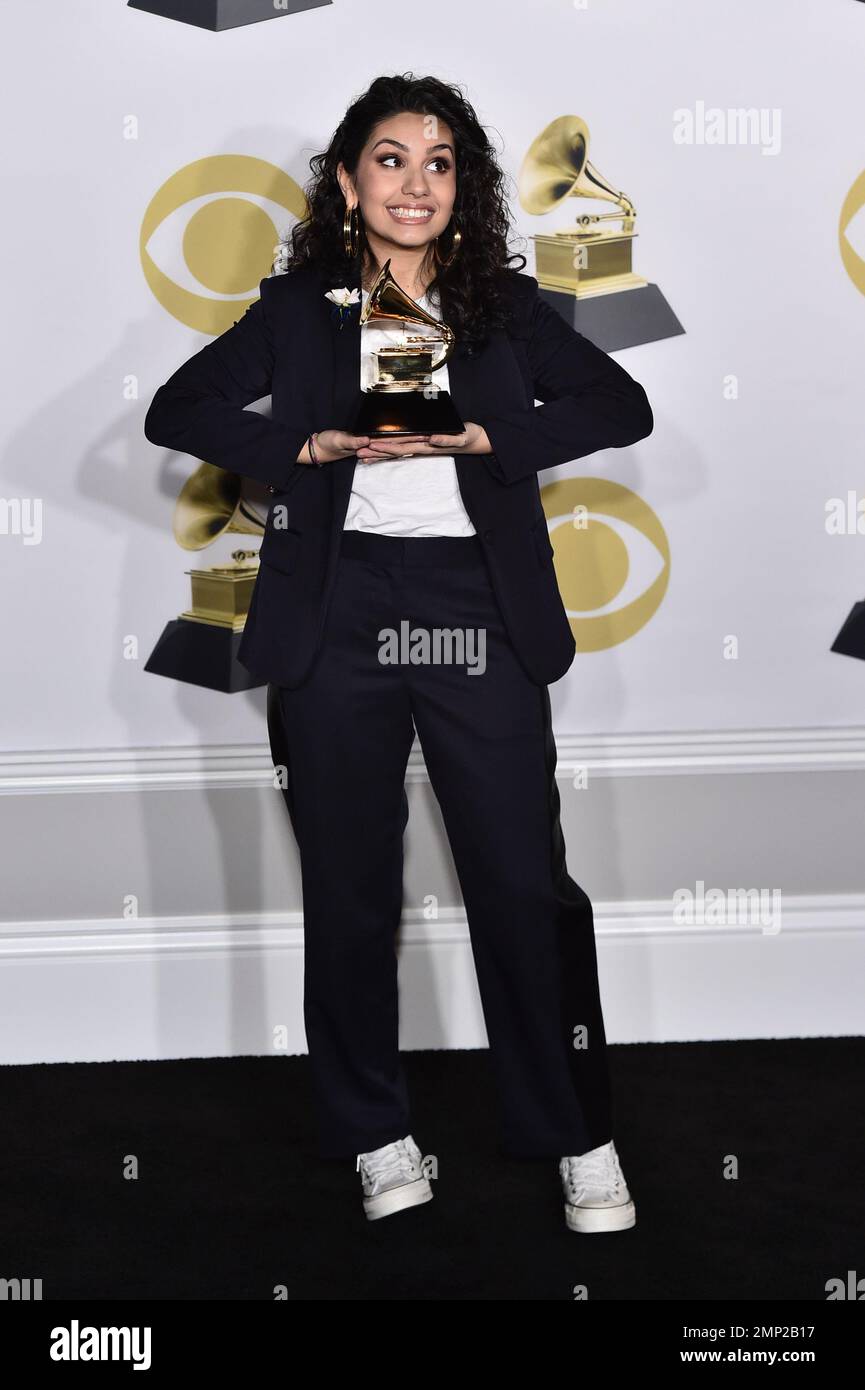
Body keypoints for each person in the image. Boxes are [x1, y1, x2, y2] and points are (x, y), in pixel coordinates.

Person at [144, 73, 653, 1231]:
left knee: (524, 883)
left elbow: (620, 405)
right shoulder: (297, 309)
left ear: (462, 184)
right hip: (338, 611)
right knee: (352, 886)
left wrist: (491, 432)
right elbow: (179, 410)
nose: (414, 183)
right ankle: (376, 1130)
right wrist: (306, 443)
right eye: (389, 158)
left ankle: (576, 1132)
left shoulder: (504, 308)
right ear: (345, 178)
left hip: (475, 604)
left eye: (438, 162)